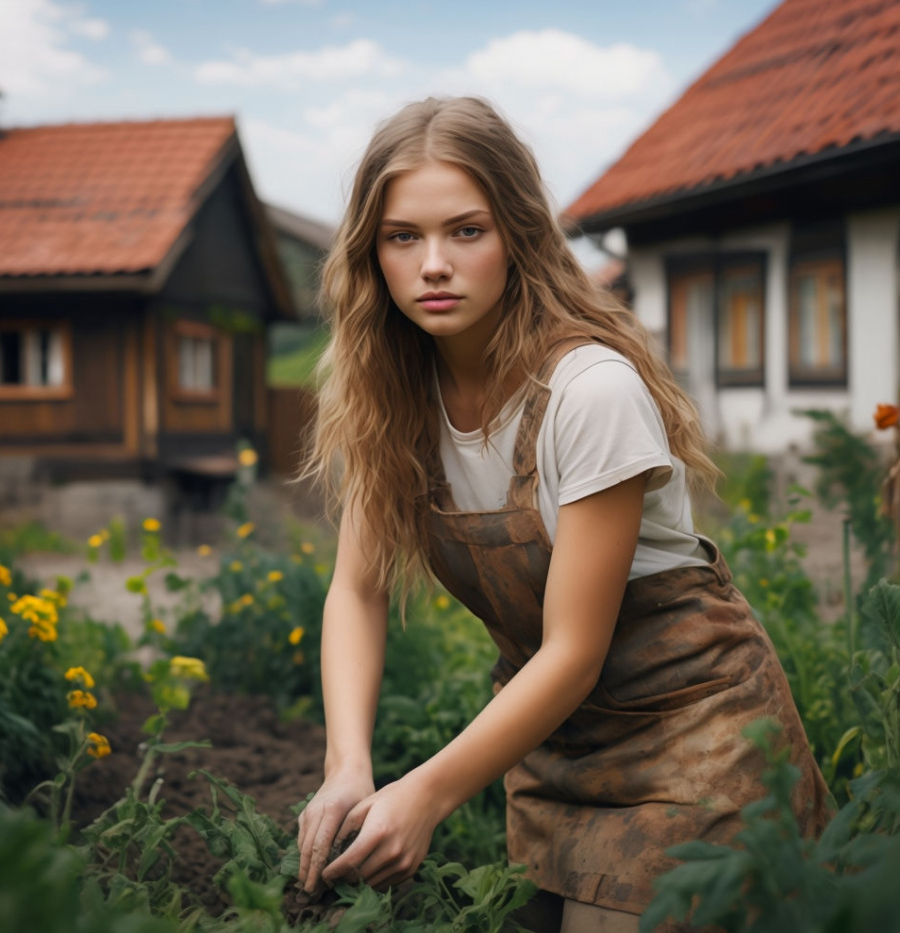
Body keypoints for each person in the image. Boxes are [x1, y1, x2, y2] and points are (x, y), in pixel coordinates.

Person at [295, 96, 829, 932]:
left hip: (697, 742)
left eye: (465, 231)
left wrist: (424, 792)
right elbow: (356, 591)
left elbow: (575, 651)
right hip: (557, 753)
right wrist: (348, 766)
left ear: (515, 236)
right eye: (403, 236)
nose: (433, 262)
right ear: (373, 252)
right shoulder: (391, 399)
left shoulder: (589, 391)